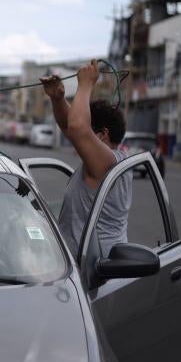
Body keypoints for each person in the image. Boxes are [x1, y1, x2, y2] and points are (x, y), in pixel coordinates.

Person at [40, 60, 132, 258]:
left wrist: (86, 84)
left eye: (91, 133)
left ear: (103, 135)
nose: (81, 140)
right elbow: (70, 127)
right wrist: (58, 99)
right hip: (83, 268)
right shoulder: (103, 160)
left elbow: (78, 128)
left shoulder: (108, 163)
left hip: (97, 274)